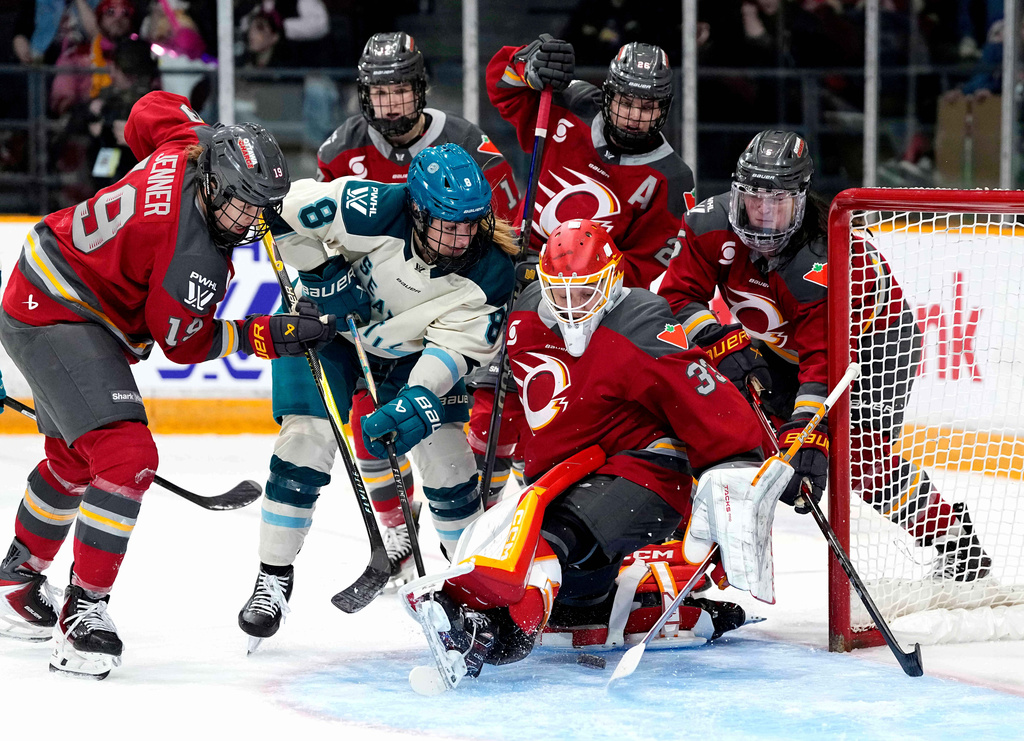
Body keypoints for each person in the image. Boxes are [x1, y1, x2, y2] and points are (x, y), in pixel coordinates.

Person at [0, 90, 338, 678]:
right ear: (214, 184)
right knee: (127, 454)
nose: (251, 223)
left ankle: (15, 581)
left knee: (75, 460)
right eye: (240, 207)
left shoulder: (191, 141)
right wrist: (267, 334)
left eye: (262, 209)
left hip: (52, 280)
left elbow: (149, 108)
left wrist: (157, 173)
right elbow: (185, 344)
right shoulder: (194, 259)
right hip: (57, 307)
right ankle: (84, 614)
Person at [402, 219, 780, 690]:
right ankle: (618, 602)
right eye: (558, 293)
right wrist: (489, 453)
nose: (569, 306)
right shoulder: (522, 320)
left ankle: (501, 633)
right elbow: (512, 401)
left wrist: (738, 467)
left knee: (553, 540)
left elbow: (709, 404)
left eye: (583, 293)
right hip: (567, 477)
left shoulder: (643, 323)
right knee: (573, 598)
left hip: (646, 472)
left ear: (613, 280)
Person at [657, 129, 991, 581]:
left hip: (877, 343)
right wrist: (717, 338)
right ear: (737, 193)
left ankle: (955, 540)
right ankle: (692, 554)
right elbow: (679, 295)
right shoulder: (706, 224)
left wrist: (808, 434)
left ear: (800, 199)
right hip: (781, 344)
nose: (764, 216)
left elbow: (821, 360)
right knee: (730, 427)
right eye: (755, 200)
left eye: (779, 203)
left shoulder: (820, 257)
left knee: (862, 460)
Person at [237, 142, 518, 649]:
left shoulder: (493, 273)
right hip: (330, 334)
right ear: (415, 210)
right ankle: (273, 577)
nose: (459, 239)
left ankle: (478, 593)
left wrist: (418, 398)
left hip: (412, 353)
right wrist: (320, 276)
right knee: (305, 440)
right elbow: (279, 208)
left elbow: (453, 347)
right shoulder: (368, 206)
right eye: (446, 224)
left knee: (450, 462)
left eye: (468, 224)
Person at [313, 31, 522, 586]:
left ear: (420, 89)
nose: (390, 105)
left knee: (484, 426)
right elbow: (322, 235)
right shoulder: (339, 151)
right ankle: (395, 535)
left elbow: (504, 229)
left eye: (401, 91)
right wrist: (329, 277)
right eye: (379, 93)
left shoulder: (466, 142)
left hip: (458, 305)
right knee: (371, 419)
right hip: (381, 312)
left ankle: (485, 509)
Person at [469, 35, 697, 508]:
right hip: (518, 263)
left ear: (665, 108)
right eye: (627, 101)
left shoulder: (672, 178)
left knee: (544, 395)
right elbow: (503, 88)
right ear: (606, 93)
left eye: (648, 105)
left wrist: (579, 279)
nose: (635, 115)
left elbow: (646, 263)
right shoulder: (567, 102)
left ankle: (539, 491)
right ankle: (474, 511)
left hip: (588, 300)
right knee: (493, 395)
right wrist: (526, 62)